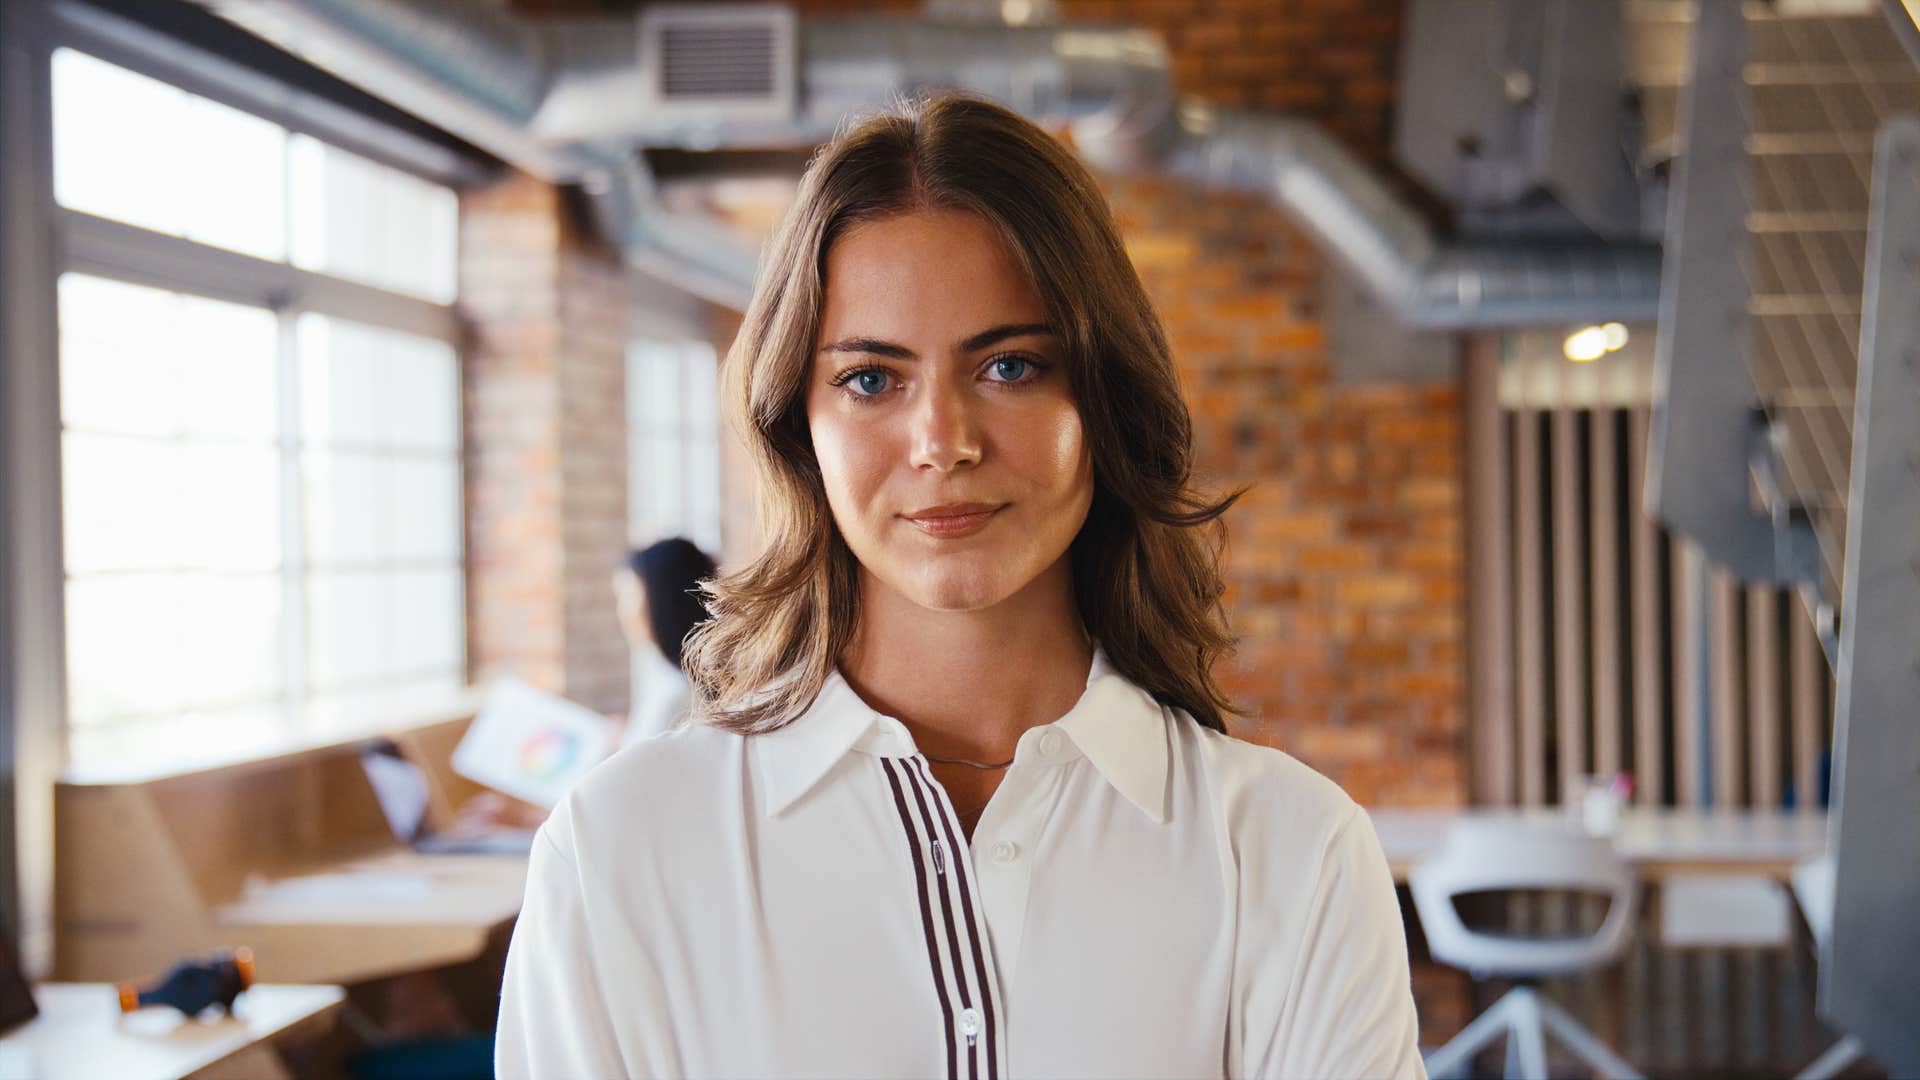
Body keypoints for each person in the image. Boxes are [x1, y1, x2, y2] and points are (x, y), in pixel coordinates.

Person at [496, 91, 1425, 1079]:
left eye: (1012, 366)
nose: (943, 441)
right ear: (797, 425)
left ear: (1102, 400)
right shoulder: (623, 851)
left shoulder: (1293, 853)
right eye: (870, 379)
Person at [612, 537, 718, 747]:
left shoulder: (676, 694)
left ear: (662, 600)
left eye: (629, 597)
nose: (622, 612)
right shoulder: (663, 673)